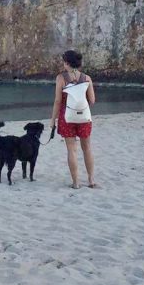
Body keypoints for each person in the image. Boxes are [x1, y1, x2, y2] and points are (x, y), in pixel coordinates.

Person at [50, 49, 97, 189]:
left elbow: (58, 101)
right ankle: (91, 180)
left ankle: (76, 183)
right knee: (87, 148)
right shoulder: (87, 78)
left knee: (72, 150)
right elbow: (92, 101)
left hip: (67, 117)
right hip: (84, 117)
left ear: (67, 63)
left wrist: (53, 120)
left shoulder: (61, 78)